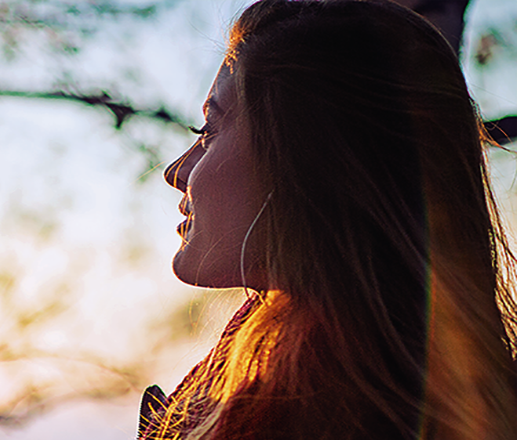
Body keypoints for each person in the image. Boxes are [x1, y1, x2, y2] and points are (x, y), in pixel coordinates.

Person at [138, 0, 517, 439]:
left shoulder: (311, 410)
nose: (176, 172)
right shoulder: (366, 376)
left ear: (304, 156)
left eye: (209, 130)